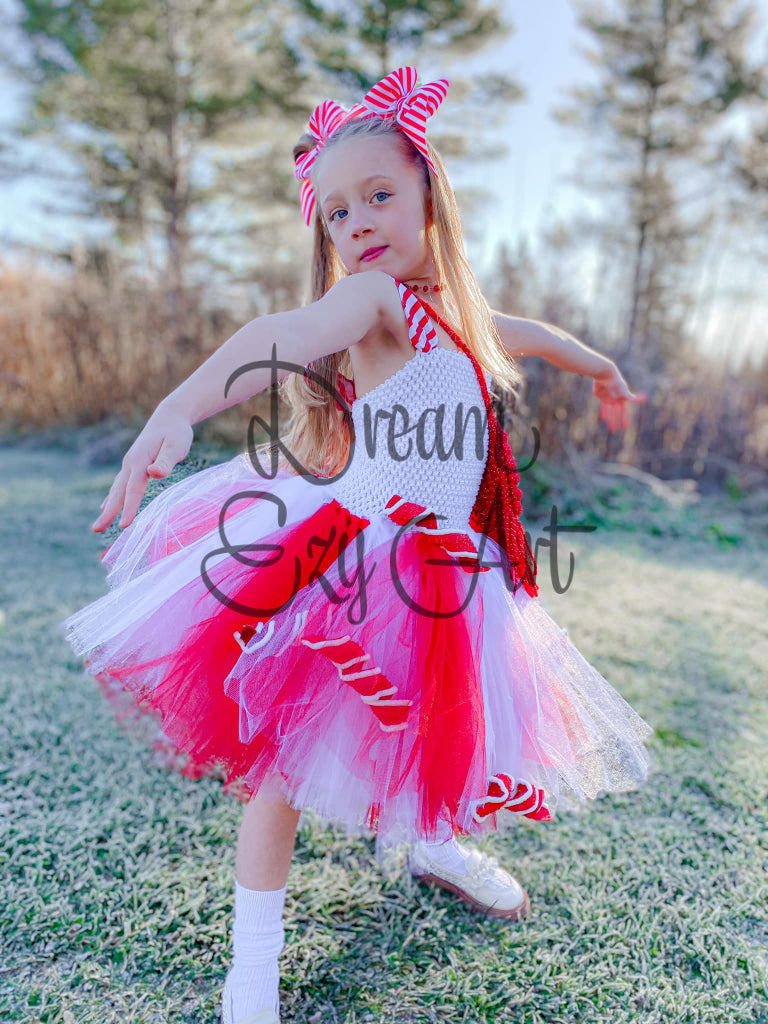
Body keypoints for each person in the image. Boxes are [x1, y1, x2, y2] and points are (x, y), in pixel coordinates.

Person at [60, 67, 654, 1024]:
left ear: (430, 194)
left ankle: (432, 843)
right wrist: (175, 407)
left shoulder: (455, 318)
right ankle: (251, 971)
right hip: (354, 563)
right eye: (336, 212)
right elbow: (280, 331)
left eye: (379, 195)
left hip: (451, 575)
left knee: (439, 721)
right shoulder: (373, 300)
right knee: (289, 765)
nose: (359, 222)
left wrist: (602, 365)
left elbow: (525, 335)